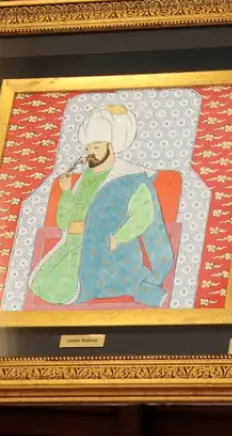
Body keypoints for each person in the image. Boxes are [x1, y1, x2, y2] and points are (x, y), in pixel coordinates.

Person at [28, 105, 174, 307]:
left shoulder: (131, 178)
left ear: (110, 147)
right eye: (89, 148)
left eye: (96, 147)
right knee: (41, 285)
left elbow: (143, 216)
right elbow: (64, 222)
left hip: (109, 251)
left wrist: (117, 238)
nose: (91, 153)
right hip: (74, 247)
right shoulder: (86, 178)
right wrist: (67, 192)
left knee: (68, 290)